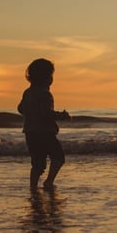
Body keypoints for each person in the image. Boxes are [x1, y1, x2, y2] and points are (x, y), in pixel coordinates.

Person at [18, 58, 69, 189]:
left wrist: (30, 113)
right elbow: (46, 114)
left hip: (30, 133)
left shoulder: (27, 92)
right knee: (58, 157)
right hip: (45, 133)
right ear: (46, 78)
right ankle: (49, 182)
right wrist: (61, 116)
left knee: (37, 163)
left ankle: (33, 186)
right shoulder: (45, 94)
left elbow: (20, 108)